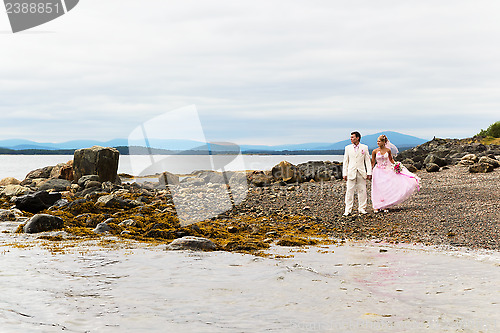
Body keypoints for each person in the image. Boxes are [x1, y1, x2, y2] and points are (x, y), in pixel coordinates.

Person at [371, 134, 420, 213]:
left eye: (379, 141)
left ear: (384, 142)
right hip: (378, 171)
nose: (378, 143)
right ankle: (376, 206)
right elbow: (373, 162)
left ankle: (385, 205)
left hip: (387, 170)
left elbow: (391, 160)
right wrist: (369, 171)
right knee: (378, 188)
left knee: (386, 188)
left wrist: (397, 166)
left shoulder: (388, 151)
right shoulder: (375, 151)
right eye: (377, 141)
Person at [343, 131, 372, 216]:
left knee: (362, 190)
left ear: (357, 138)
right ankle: (348, 210)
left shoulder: (364, 147)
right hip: (351, 172)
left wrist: (369, 172)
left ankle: (362, 208)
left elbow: (367, 161)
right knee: (349, 191)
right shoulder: (347, 148)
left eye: (352, 137)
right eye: (351, 137)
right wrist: (344, 173)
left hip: (361, 172)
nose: (351, 139)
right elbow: (346, 161)